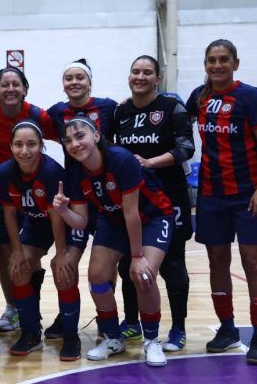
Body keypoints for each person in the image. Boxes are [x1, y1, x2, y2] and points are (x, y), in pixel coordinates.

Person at [54, 116, 173, 367]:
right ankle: (113, 338)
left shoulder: (121, 159)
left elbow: (132, 212)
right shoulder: (76, 172)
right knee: (96, 276)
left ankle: (152, 340)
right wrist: (64, 211)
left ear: (96, 136)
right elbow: (82, 222)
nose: (75, 144)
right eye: (68, 141)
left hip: (152, 217)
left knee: (144, 275)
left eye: (80, 136)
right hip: (113, 219)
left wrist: (138, 256)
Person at [185, 39, 257, 365]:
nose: (217, 65)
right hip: (211, 195)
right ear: (206, 64)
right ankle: (227, 330)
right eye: (212, 60)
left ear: (235, 63)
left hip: (250, 195)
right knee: (217, 262)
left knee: (254, 264)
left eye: (224, 59)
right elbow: (171, 117)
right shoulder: (199, 97)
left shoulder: (250, 96)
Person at [0, 67, 59, 332]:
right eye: (4, 85)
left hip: (35, 190)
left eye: (16, 84)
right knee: (5, 252)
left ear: (25, 88)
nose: (10, 89)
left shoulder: (38, 115)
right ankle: (14, 308)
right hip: (3, 192)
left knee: (31, 253)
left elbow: (64, 135)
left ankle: (33, 308)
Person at [113, 55, 194, 352]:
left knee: (172, 264)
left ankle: (178, 328)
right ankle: (132, 322)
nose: (141, 76)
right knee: (127, 263)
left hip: (170, 197)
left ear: (157, 78)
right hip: (133, 199)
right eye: (136, 71)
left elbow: (186, 146)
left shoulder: (172, 107)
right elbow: (108, 150)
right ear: (129, 76)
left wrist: (149, 162)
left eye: (148, 72)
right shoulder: (120, 112)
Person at [44, 58, 118, 340]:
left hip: (107, 192)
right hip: (76, 195)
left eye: (80, 78)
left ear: (90, 82)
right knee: (63, 263)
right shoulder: (56, 112)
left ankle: (106, 318)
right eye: (69, 78)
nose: (74, 82)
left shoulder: (110, 107)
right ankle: (67, 318)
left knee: (106, 264)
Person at [0, 120, 67, 356]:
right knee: (18, 268)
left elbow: (57, 218)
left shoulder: (51, 172)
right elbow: (9, 213)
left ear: (42, 146)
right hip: (36, 222)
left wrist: (61, 253)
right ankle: (31, 331)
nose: (24, 151)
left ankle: (68, 326)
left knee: (65, 271)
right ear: (11, 146)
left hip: (64, 223)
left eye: (31, 144)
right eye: (18, 144)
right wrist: (17, 251)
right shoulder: (6, 171)